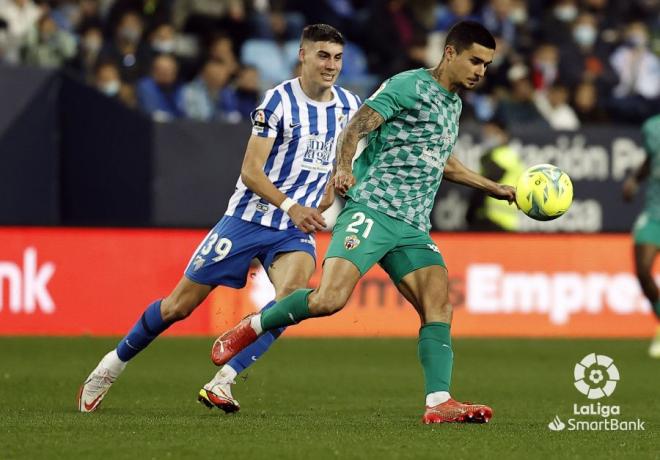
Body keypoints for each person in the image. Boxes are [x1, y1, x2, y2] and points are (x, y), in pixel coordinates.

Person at [210, 20, 516, 424]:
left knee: (438, 304)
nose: (481, 71)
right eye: (475, 61)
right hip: (372, 208)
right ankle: (256, 323)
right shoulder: (408, 86)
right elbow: (355, 126)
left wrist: (489, 186)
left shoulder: (453, 104)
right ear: (450, 53)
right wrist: (342, 170)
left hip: (412, 225)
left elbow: (438, 159)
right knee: (329, 299)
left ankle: (438, 401)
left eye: (487, 65)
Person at [77, 24, 361, 413]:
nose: (332, 65)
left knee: (290, 301)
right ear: (303, 55)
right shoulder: (277, 103)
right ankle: (111, 365)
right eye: (323, 55)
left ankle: (223, 381)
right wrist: (292, 204)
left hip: (292, 231)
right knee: (177, 307)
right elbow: (251, 171)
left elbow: (339, 157)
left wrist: (335, 182)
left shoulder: (349, 106)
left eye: (338, 57)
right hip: (247, 219)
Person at [622, 114, 660, 358]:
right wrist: (635, 180)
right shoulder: (653, 127)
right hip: (655, 211)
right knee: (643, 270)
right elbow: (651, 159)